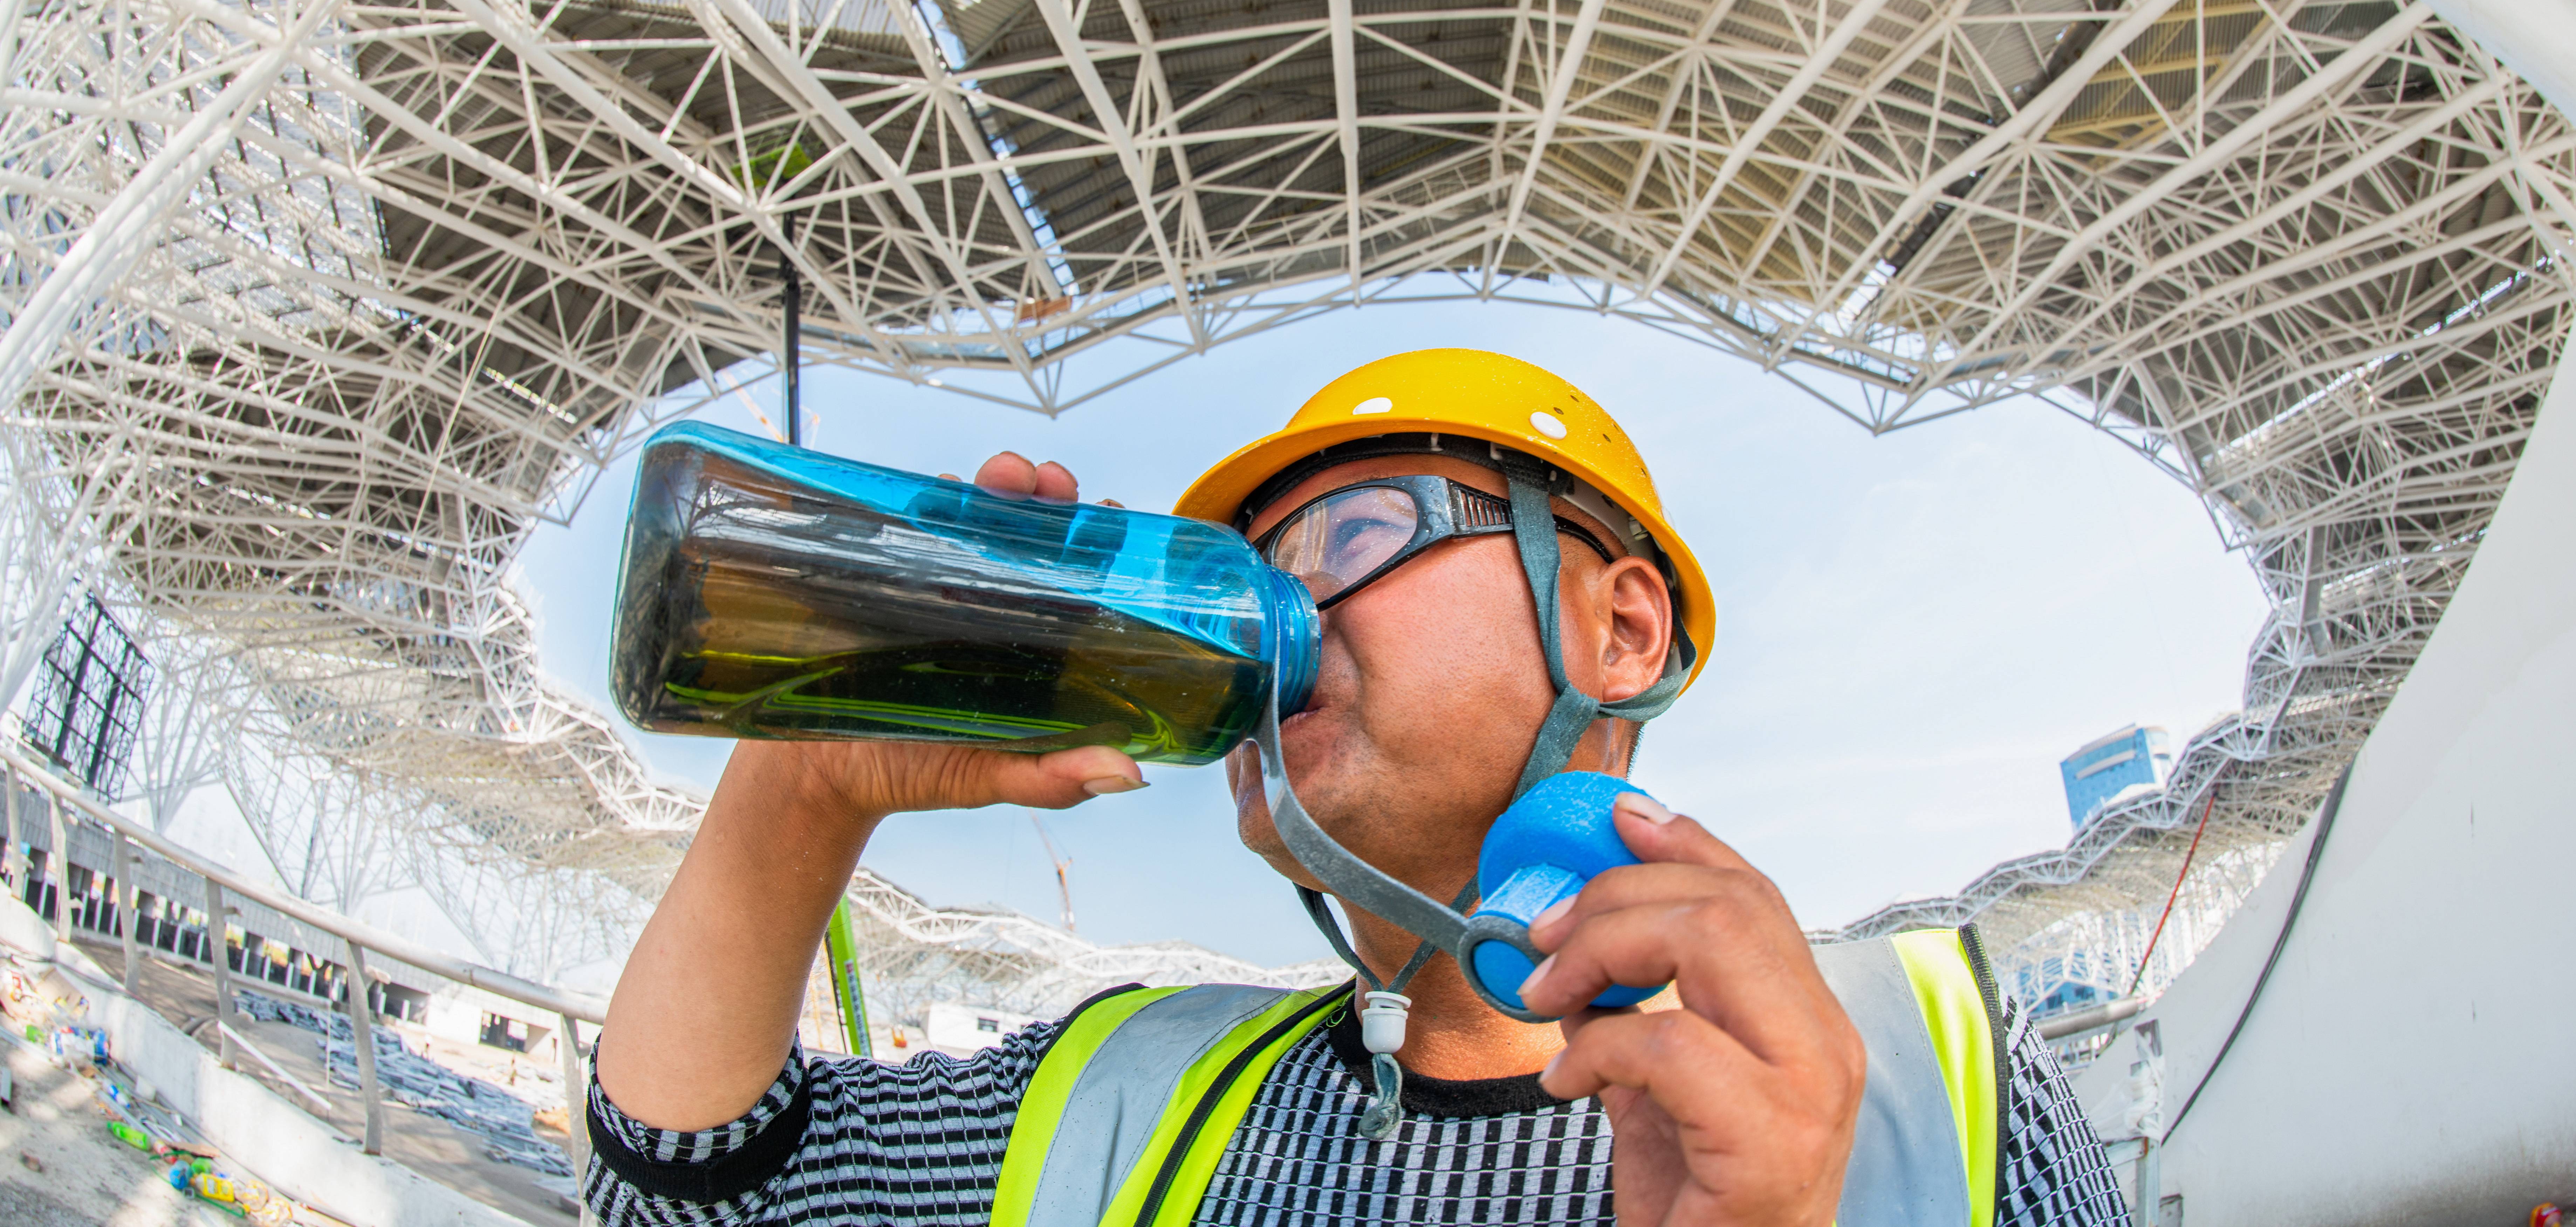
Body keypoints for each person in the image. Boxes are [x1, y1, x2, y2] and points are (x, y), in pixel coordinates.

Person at [583, 350, 2129, 1227]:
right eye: (1251, 571)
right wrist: (803, 795)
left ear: (1619, 623)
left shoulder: (1943, 1106)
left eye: (1350, 535)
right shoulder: (1124, 1098)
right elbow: (678, 1202)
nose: (1279, 614)